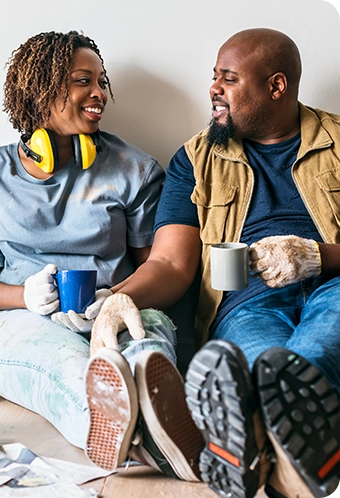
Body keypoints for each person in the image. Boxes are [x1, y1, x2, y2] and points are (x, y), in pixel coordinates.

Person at [91, 28, 340, 497]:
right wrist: (118, 298)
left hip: (334, 285)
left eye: (228, 78)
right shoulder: (194, 159)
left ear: (277, 85)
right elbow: (170, 264)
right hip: (246, 302)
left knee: (309, 349)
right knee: (267, 362)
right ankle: (292, 453)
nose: (213, 89)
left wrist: (316, 256)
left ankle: (247, 440)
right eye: (214, 77)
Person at [0, 30, 205, 478]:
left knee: (144, 347)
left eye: (101, 81)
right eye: (82, 81)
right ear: (40, 89)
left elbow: (159, 265)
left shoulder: (134, 168)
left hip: (118, 303)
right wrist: (23, 298)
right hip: (23, 322)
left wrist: (116, 301)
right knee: (67, 366)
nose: (99, 93)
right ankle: (140, 437)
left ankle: (152, 423)